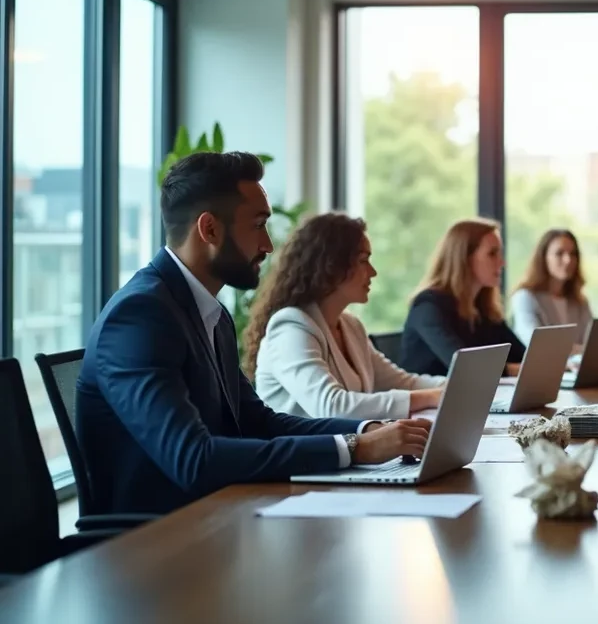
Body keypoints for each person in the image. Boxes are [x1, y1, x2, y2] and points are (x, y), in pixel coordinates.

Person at [76, 152, 430, 516]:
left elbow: (257, 422)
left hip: (218, 513)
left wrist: (367, 428)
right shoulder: (140, 316)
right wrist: (357, 447)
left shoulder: (208, 313)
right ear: (209, 229)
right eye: (258, 225)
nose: (269, 246)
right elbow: (193, 459)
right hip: (156, 542)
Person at [245, 213, 447, 420]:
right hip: (303, 451)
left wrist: (457, 388)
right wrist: (430, 397)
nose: (373, 272)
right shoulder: (290, 327)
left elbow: (405, 382)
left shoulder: (350, 326)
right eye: (363, 260)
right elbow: (332, 406)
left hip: (343, 448)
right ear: (330, 265)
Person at [400, 218, 526, 377]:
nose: (502, 262)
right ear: (464, 258)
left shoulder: (483, 307)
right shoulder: (428, 306)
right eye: (492, 254)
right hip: (433, 399)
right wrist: (517, 370)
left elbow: (522, 356)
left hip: (473, 398)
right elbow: (466, 366)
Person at [509, 228, 593, 351]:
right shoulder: (525, 297)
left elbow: (592, 343)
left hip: (577, 369)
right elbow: (535, 343)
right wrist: (580, 351)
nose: (568, 260)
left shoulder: (579, 301)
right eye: (559, 253)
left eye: (573, 254)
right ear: (543, 258)